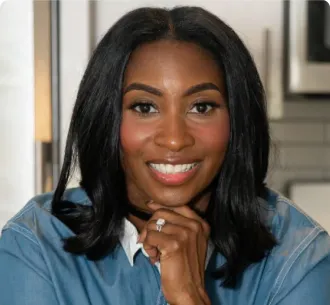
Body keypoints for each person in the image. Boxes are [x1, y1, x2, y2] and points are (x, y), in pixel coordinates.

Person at [0, 6, 330, 305]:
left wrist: (189, 297)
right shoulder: (34, 247)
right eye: (145, 107)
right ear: (106, 118)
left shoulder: (299, 258)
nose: (174, 140)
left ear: (237, 120)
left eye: (202, 107)